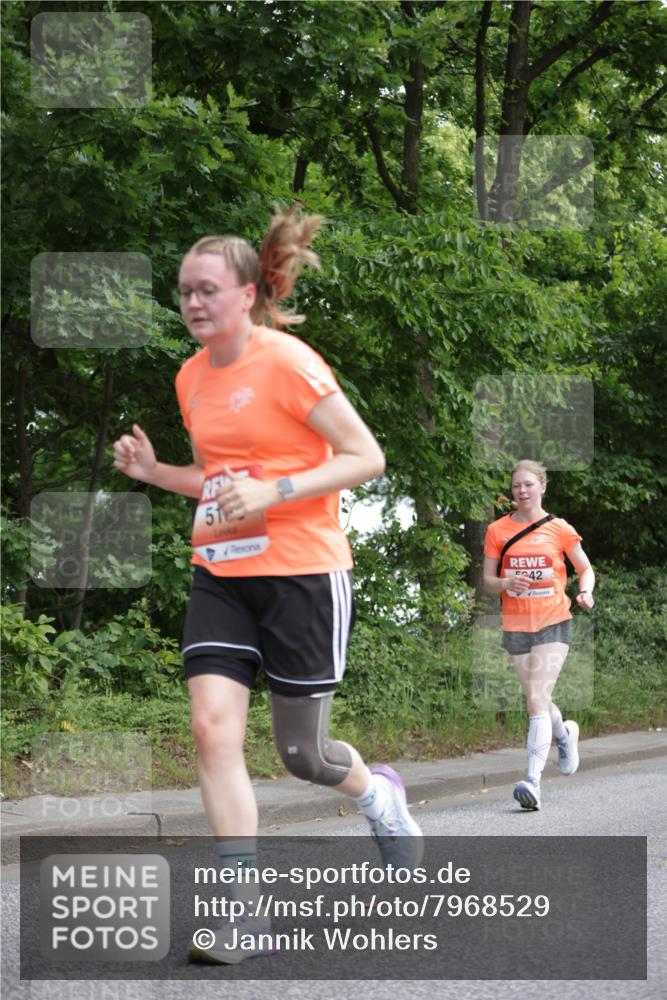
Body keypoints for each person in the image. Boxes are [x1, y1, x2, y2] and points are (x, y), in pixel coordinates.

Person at [112, 205, 423, 963]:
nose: (191, 303)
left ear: (246, 293)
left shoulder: (287, 362)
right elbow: (220, 483)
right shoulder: (191, 378)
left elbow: (365, 456)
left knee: (301, 758)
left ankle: (380, 797)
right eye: (183, 290)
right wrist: (157, 474)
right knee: (211, 730)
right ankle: (242, 908)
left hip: (304, 573)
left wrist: (278, 494)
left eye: (206, 289)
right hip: (221, 570)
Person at [483, 460, 595, 811]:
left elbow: (585, 567)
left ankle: (532, 781)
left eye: (529, 485)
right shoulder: (497, 530)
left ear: (542, 487)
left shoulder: (558, 528)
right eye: (517, 486)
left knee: (536, 699)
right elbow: (487, 581)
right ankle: (565, 734)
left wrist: (585, 592)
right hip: (515, 626)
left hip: (553, 622)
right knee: (539, 699)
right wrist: (505, 583)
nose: (522, 491)